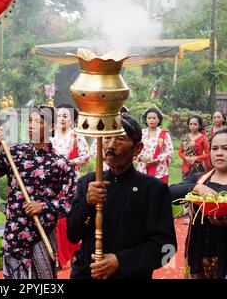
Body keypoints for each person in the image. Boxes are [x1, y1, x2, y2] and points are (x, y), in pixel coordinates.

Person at [67, 113, 177, 279]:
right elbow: (73, 234)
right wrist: (87, 203)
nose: (111, 145)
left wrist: (120, 261)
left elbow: (166, 247)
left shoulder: (153, 189)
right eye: (107, 138)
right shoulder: (88, 183)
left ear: (137, 148)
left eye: (119, 139)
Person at [0, 105, 77, 279]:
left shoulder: (60, 163)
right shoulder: (15, 153)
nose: (31, 125)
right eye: (30, 120)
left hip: (41, 234)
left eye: (38, 121)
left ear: (52, 126)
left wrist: (44, 207)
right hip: (14, 233)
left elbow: (71, 202)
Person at [170, 129, 227, 279]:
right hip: (198, 253)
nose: (219, 153)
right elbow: (171, 192)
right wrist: (196, 188)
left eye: (226, 148)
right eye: (214, 149)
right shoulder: (199, 179)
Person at [50, 103, 90, 269]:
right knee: (53, 218)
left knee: (67, 218)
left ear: (72, 119)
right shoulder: (50, 134)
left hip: (71, 181)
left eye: (65, 116)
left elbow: (86, 156)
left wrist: (69, 162)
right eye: (59, 115)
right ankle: (56, 255)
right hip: (51, 182)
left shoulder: (76, 135)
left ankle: (73, 251)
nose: (61, 119)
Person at [136, 107, 173, 184]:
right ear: (146, 120)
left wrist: (156, 160)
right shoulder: (141, 133)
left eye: (154, 118)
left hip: (159, 170)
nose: (151, 120)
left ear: (159, 120)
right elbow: (134, 148)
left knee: (157, 193)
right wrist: (142, 158)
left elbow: (169, 151)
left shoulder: (164, 134)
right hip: (143, 168)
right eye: (149, 118)